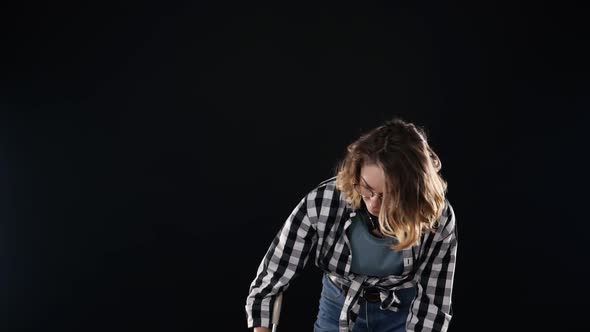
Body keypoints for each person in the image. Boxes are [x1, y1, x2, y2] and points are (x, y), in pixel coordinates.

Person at [244, 117, 458, 332]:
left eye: (387, 196)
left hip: (403, 313)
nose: (374, 203)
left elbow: (434, 302)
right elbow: (273, 273)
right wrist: (262, 327)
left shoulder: (436, 218)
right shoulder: (322, 202)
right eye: (367, 189)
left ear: (412, 192)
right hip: (338, 306)